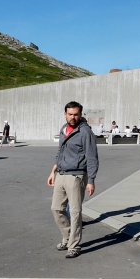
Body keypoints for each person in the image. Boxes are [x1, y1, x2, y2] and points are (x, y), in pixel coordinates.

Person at [47, 101, 99, 259]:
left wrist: (91, 180)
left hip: (77, 176)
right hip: (61, 174)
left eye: (76, 114)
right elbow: (60, 152)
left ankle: (73, 245)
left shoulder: (85, 132)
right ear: (65, 114)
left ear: (81, 114)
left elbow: (92, 158)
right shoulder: (64, 129)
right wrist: (53, 171)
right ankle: (68, 236)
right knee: (56, 209)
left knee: (75, 212)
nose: (73, 117)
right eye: (70, 114)